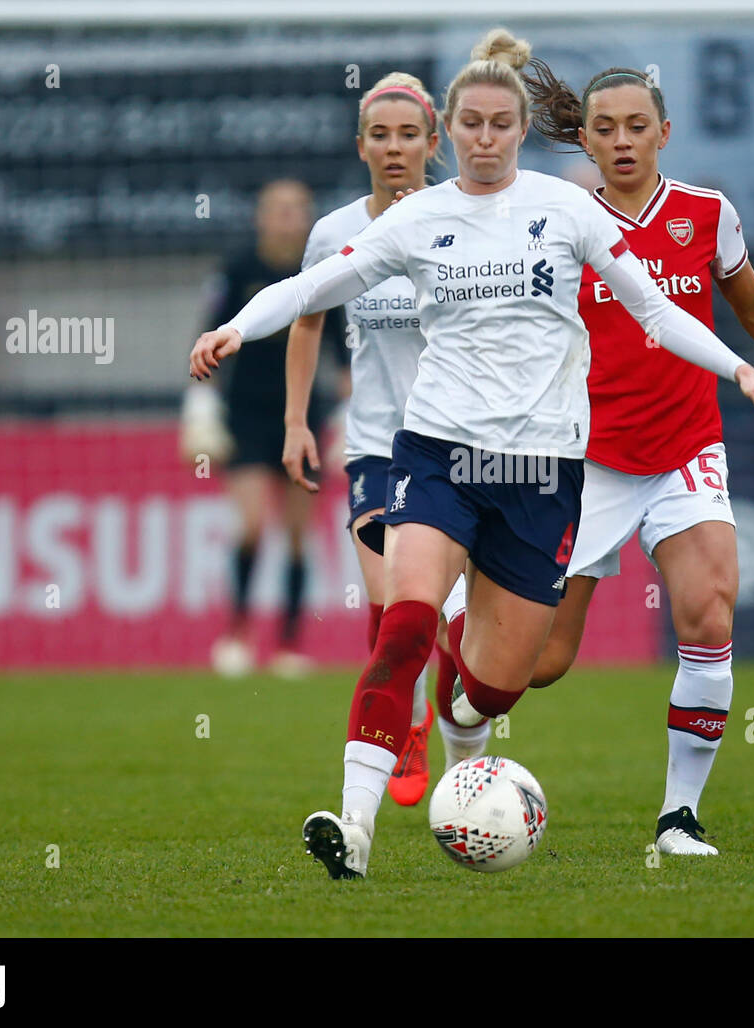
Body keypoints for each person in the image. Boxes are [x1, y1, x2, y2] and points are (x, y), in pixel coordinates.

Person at [189, 28, 754, 880]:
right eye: (469, 122)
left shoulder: (566, 208)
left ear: (519, 129)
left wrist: (742, 372)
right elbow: (312, 288)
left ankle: (465, 720)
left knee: (507, 683)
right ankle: (352, 829)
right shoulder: (420, 218)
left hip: (542, 475)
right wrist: (233, 329)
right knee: (403, 623)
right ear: (452, 133)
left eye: (499, 123)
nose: (484, 137)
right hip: (437, 458)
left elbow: (655, 312)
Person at [442, 62, 754, 856]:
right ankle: (459, 622)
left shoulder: (706, 215)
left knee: (710, 611)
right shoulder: (556, 224)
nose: (620, 141)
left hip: (686, 450)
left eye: (636, 126)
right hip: (587, 465)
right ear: (583, 137)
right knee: (539, 666)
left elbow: (753, 304)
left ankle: (679, 818)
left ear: (664, 134)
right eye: (604, 128)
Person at [281, 72, 487, 807]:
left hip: (463, 444)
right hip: (376, 446)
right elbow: (307, 321)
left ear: (435, 143)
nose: (394, 148)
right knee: (398, 603)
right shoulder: (334, 234)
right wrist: (297, 421)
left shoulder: (464, 224)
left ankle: (447, 712)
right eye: (380, 135)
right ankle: (410, 724)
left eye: (409, 135)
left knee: (468, 637)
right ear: (360, 144)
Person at [181, 180, 348, 677]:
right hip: (247, 416)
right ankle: (236, 633)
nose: (288, 218)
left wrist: (346, 420)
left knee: (299, 534)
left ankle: (289, 645)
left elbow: (342, 355)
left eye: (298, 209)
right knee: (252, 526)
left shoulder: (321, 274)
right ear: (260, 216)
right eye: (278, 209)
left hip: (304, 416)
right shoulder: (238, 270)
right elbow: (208, 334)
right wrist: (199, 408)